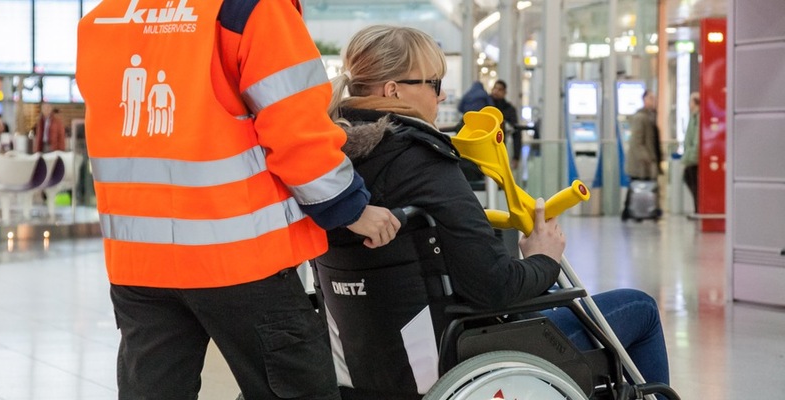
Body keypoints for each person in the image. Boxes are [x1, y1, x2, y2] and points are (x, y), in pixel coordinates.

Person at [76, 1, 401, 399]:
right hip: (239, 257)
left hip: (139, 261)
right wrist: (349, 207)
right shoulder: (250, 9)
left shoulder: (107, 16)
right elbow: (295, 127)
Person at [326, 24, 670, 398]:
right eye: (433, 84)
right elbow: (494, 286)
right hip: (461, 352)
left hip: (378, 367)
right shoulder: (423, 162)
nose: (441, 98)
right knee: (640, 307)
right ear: (393, 90)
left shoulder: (328, 170)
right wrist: (543, 259)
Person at [622, 90, 663, 221]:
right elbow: (637, 142)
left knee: (642, 187)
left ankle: (642, 211)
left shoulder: (650, 117)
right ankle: (632, 211)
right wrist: (648, 159)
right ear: (644, 100)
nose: (653, 101)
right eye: (650, 98)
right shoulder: (641, 118)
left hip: (647, 160)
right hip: (641, 163)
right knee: (636, 186)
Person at [489, 79, 521, 170]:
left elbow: (517, 134)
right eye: (495, 88)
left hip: (501, 150)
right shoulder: (486, 105)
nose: (496, 91)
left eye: (500, 89)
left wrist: (516, 157)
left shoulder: (509, 109)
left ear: (504, 92)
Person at [682, 92, 700, 213]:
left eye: (690, 102)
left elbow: (696, 140)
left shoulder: (698, 117)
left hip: (694, 159)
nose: (689, 104)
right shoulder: (693, 117)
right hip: (691, 157)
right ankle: (696, 208)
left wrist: (691, 157)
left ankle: (697, 209)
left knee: (694, 184)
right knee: (690, 181)